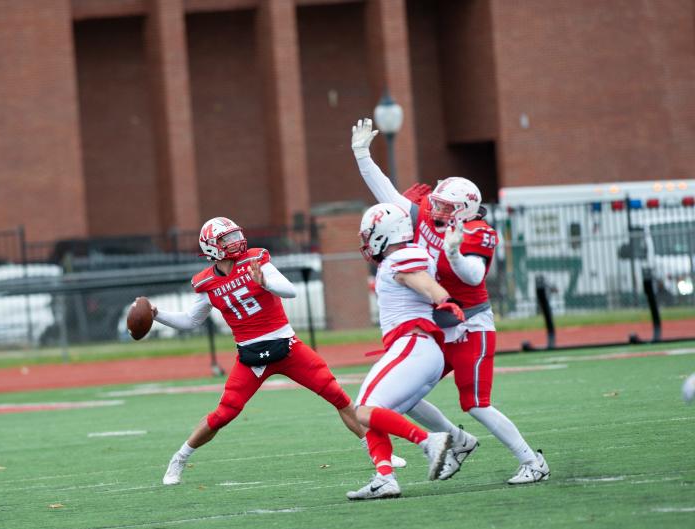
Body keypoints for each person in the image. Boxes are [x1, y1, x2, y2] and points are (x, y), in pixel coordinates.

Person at [350, 117, 550, 485]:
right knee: (407, 394)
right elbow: (388, 194)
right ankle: (456, 441)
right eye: (436, 203)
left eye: (444, 206)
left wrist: (455, 253)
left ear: (464, 210)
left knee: (475, 402)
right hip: (438, 325)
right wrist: (362, 154)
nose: (434, 209)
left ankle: (531, 460)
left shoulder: (477, 231)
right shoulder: (428, 214)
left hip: (470, 323)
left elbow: (474, 276)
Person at [150, 216, 404, 486]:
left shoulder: (255, 260)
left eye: (236, 235)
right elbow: (190, 321)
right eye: (227, 239)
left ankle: (378, 454)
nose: (236, 242)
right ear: (212, 246)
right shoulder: (206, 283)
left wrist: (265, 283)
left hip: (287, 346)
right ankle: (179, 458)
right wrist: (156, 314)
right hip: (250, 356)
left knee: (338, 396)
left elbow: (289, 291)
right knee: (224, 413)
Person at [347, 203, 461, 500]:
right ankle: (385, 478)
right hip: (419, 349)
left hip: (413, 344)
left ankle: (429, 441)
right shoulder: (405, 255)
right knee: (372, 412)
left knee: (364, 410)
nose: (367, 240)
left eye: (370, 234)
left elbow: (417, 279)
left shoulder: (399, 257)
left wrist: (443, 298)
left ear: (384, 233)